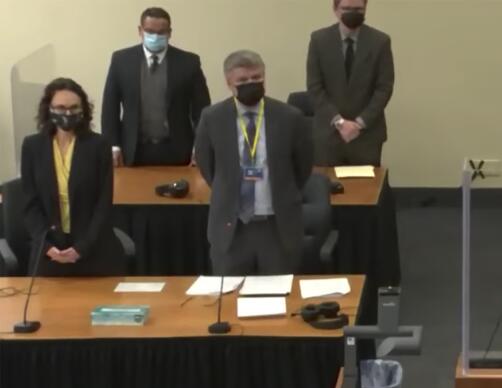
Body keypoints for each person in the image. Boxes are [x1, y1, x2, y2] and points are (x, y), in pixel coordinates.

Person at [194, 50, 313, 276]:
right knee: (229, 299)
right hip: (232, 226)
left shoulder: (290, 117)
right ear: (229, 83)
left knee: (279, 297)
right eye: (243, 80)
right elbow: (207, 166)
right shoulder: (212, 118)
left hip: (276, 226)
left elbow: (302, 167)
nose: (251, 84)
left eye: (257, 79)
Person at [21, 79, 125, 276]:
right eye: (60, 108)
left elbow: (103, 205)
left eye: (73, 107)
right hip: (50, 253)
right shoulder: (32, 146)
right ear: (48, 110)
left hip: (93, 252)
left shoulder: (99, 145)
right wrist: (46, 247)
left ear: (83, 109)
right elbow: (30, 205)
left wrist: (82, 248)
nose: (67, 113)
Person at [101, 6, 210, 167]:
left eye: (161, 32)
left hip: (178, 150)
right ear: (140, 30)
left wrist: (200, 146)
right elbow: (110, 108)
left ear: (170, 33)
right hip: (133, 150)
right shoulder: (121, 60)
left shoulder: (189, 62)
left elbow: (201, 110)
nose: (155, 36)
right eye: (150, 31)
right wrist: (113, 145)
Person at [306, 0, 395, 166]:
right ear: (335, 9)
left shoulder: (380, 42)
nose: (353, 13)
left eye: (358, 9)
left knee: (366, 189)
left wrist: (359, 124)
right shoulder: (319, 40)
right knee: (327, 188)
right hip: (328, 135)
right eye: (347, 8)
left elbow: (384, 88)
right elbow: (314, 87)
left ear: (365, 9)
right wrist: (340, 123)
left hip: (366, 136)